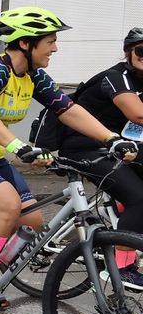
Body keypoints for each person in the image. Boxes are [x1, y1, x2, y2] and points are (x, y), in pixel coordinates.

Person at [0, 7, 133, 303]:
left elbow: (69, 110)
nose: (55, 47)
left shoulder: (34, 76)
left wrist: (112, 138)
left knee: (33, 222)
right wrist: (18, 146)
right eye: (49, 41)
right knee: (6, 207)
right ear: (26, 42)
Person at [45, 27, 143, 287]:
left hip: (121, 148)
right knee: (139, 198)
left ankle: (124, 226)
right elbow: (138, 114)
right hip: (84, 147)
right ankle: (121, 267)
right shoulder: (116, 76)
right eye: (141, 50)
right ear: (128, 53)